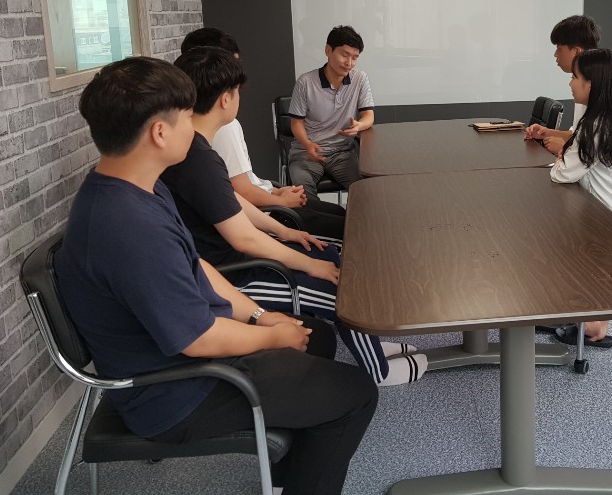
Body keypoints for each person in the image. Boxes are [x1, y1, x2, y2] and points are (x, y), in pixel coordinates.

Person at [54, 56, 377, 495]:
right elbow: (198, 339)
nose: (194, 126)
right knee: (356, 394)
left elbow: (199, 267)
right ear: (160, 132)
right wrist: (269, 337)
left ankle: (286, 478)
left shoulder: (138, 187)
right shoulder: (129, 227)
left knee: (313, 336)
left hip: (188, 362)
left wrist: (262, 317)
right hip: (176, 393)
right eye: (187, 116)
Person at [163, 46, 426, 387]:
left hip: (236, 259)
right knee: (340, 290)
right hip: (233, 276)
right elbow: (244, 238)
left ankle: (371, 346)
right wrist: (309, 265)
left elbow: (231, 202)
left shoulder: (198, 149)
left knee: (330, 256)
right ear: (226, 99)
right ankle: (379, 371)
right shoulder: (197, 157)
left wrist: (285, 232)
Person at [180, 27, 347, 241]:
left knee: (341, 214)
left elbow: (240, 187)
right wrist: (281, 201)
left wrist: (277, 192)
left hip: (267, 204)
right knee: (346, 224)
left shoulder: (201, 135)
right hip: (267, 214)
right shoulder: (220, 131)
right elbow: (242, 195)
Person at [549, 48, 612, 349]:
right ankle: (580, 312)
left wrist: (564, 157)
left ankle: (593, 323)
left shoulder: (596, 124)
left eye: (575, 78)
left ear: (591, 83)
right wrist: (568, 156)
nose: (570, 84)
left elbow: (561, 174)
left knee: (547, 236)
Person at [288, 25, 374, 201]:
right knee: (303, 198)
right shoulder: (305, 82)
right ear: (328, 50)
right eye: (344, 55)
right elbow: (296, 123)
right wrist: (307, 144)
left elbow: (368, 116)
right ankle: (328, 218)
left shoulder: (360, 79)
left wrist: (359, 126)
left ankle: (348, 220)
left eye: (355, 58)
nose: (349, 63)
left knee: (366, 193)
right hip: (306, 153)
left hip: (342, 153)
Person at [524, 15, 601, 154]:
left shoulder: (603, 94)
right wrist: (546, 133)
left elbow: (599, 151)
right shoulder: (585, 88)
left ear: (576, 51)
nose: (555, 54)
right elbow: (579, 135)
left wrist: (565, 148)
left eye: (559, 48)